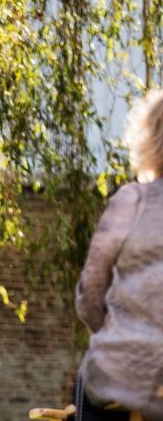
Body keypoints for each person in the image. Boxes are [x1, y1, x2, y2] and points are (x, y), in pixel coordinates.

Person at [76, 90, 163, 421]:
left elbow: (90, 296)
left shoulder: (133, 201)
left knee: (93, 378)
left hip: (122, 375)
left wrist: (121, 338)